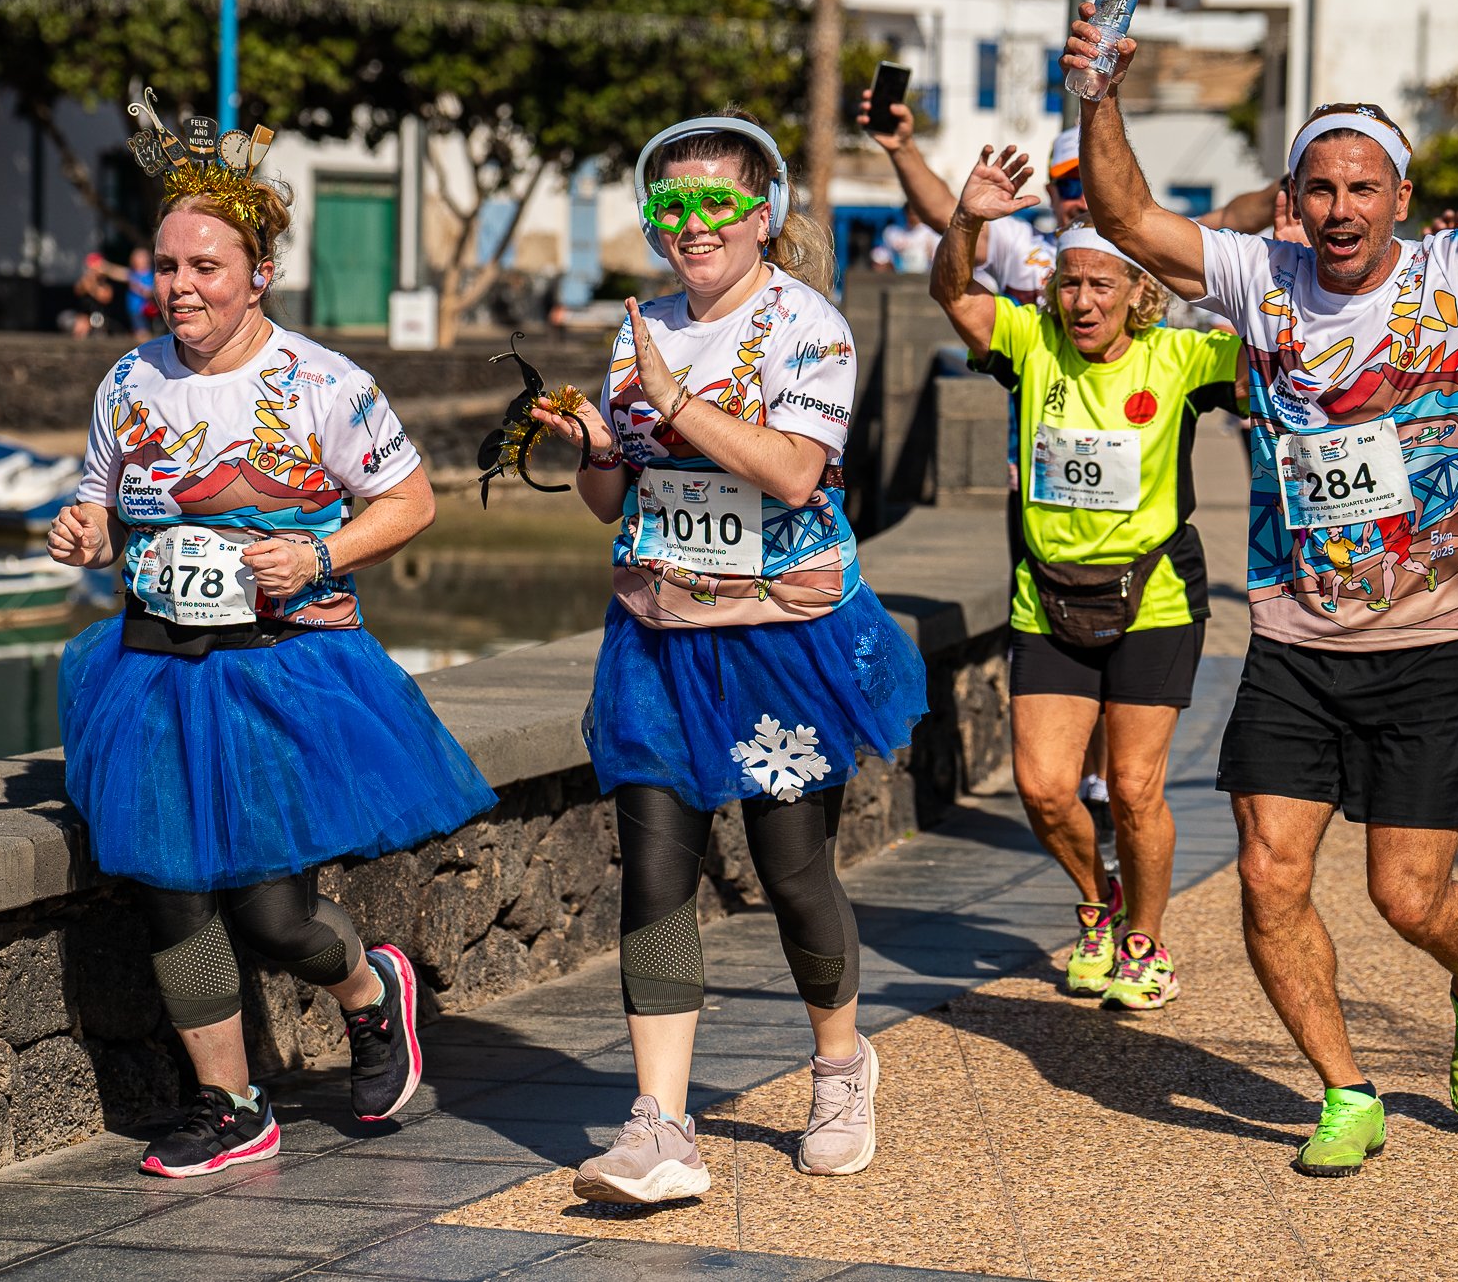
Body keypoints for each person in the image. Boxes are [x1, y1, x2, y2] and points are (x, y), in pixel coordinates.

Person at [1064, 0, 1458, 1176]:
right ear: (1293, 196)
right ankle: (1344, 1090)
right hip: (1292, 642)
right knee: (1269, 877)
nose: (1337, 209)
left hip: (1428, 643)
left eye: (1360, 189)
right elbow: (1125, 220)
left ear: (1399, 196)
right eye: (1317, 188)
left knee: (1408, 899)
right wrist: (1096, 96)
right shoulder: (1256, 280)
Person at [47, 99, 498, 1178]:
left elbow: (412, 501)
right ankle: (231, 1103)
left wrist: (319, 556)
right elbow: (100, 499)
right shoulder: (130, 380)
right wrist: (85, 526)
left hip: (280, 670)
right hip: (153, 666)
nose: (181, 285)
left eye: (206, 265)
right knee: (167, 887)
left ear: (258, 274)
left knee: (273, 912)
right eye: (167, 265)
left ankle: (366, 986)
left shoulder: (324, 384)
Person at [531, 109, 927, 1205]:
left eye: (716, 203)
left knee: (791, 870)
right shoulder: (638, 324)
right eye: (671, 205)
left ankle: (841, 1065)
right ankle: (659, 1123)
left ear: (763, 215)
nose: (691, 224)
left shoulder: (810, 329)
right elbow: (615, 496)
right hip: (659, 637)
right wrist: (593, 448)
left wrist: (671, 400)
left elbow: (795, 473)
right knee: (654, 871)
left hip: (781, 641)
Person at [859, 95, 1280, 824]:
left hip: (1145, 508)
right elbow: (946, 248)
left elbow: (1237, 226)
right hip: (1041, 495)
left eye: (1092, 179)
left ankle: (1110, 798)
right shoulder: (1025, 250)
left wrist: (1297, 195)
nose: (1082, 194)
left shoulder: (1147, 240)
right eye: (1068, 182)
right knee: (1062, 669)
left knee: (1129, 755)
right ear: (1051, 192)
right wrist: (905, 153)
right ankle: (1082, 790)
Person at [931, 144, 1242, 1007]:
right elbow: (954, 294)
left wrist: (1278, 273)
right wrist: (970, 219)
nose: (1083, 300)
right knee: (1042, 786)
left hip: (1155, 596)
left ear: (1141, 293)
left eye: (1104, 284)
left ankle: (1145, 939)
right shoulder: (1031, 344)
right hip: (1048, 593)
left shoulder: (1179, 359)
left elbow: (1275, 363)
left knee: (1137, 787)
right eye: (1070, 283)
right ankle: (1098, 904)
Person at [871, 203, 940, 274]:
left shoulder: (931, 233)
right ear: (906, 213)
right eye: (912, 213)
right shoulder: (893, 232)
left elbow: (938, 259)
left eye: (917, 213)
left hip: (924, 277)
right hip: (900, 278)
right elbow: (882, 257)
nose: (914, 216)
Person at [66, 253, 118, 340]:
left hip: (101, 318)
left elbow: (104, 297)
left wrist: (94, 284)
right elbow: (79, 289)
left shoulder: (106, 284)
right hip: (84, 317)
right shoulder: (84, 281)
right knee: (79, 325)